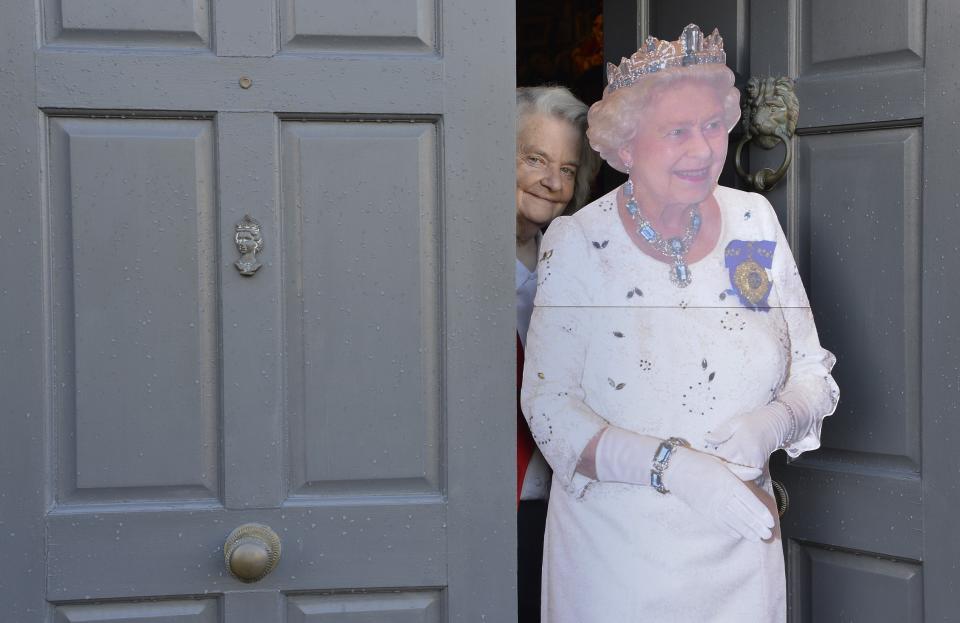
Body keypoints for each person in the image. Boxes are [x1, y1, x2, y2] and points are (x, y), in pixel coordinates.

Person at [520, 25, 838, 623]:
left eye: (712, 126)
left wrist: (773, 422)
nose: (702, 149)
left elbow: (811, 370)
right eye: (676, 132)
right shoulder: (581, 243)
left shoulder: (752, 223)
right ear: (628, 143)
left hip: (740, 549)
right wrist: (676, 468)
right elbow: (550, 410)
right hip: (617, 559)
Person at [515, 85, 600, 623]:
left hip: (569, 505)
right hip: (495, 499)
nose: (553, 182)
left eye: (568, 169)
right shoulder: (448, 250)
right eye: (535, 160)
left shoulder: (572, 257)